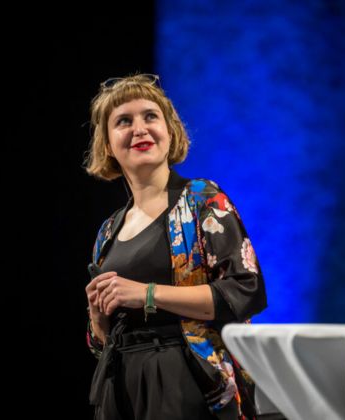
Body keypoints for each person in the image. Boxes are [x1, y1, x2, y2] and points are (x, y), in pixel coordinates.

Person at [84, 73, 267, 420]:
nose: (139, 129)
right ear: (107, 144)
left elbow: (245, 291)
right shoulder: (108, 231)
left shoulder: (202, 200)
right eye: (124, 121)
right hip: (120, 388)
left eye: (150, 117)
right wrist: (97, 318)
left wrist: (146, 294)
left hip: (187, 382)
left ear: (170, 132)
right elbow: (99, 344)